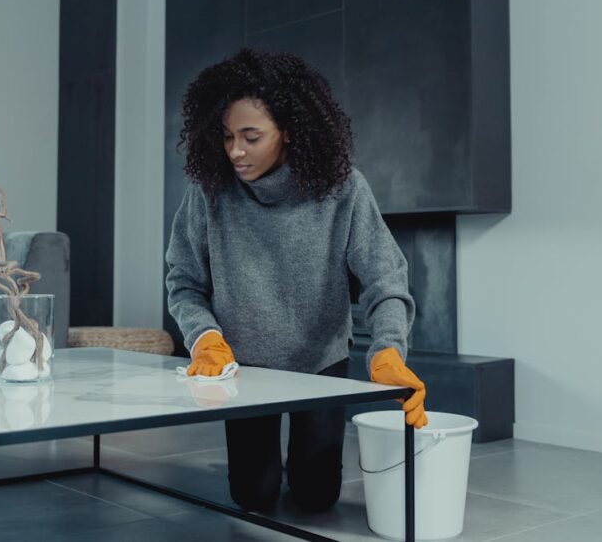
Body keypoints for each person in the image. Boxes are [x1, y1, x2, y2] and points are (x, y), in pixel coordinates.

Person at [165, 47, 428, 514]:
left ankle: (308, 471)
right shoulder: (209, 194)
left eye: (251, 136)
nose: (235, 151)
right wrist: (204, 337)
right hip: (243, 368)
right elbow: (184, 281)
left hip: (320, 362)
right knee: (253, 495)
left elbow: (386, 276)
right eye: (226, 136)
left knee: (316, 497)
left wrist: (388, 346)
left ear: (288, 131)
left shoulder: (343, 188)